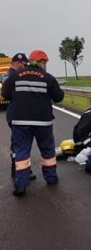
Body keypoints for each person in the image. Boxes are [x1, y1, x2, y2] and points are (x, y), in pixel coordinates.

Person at [1, 50, 64, 196]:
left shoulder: (15, 76)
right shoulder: (48, 78)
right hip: (43, 121)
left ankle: (21, 185)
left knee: (21, 151)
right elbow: (59, 97)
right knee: (47, 151)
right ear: (41, 62)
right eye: (45, 62)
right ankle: (51, 178)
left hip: (20, 121)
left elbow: (4, 94)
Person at [5, 53, 37, 181]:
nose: (25, 67)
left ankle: (21, 171)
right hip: (16, 114)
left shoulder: (11, 75)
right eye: (24, 64)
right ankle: (19, 172)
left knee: (20, 144)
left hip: (15, 113)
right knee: (20, 145)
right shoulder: (14, 76)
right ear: (18, 63)